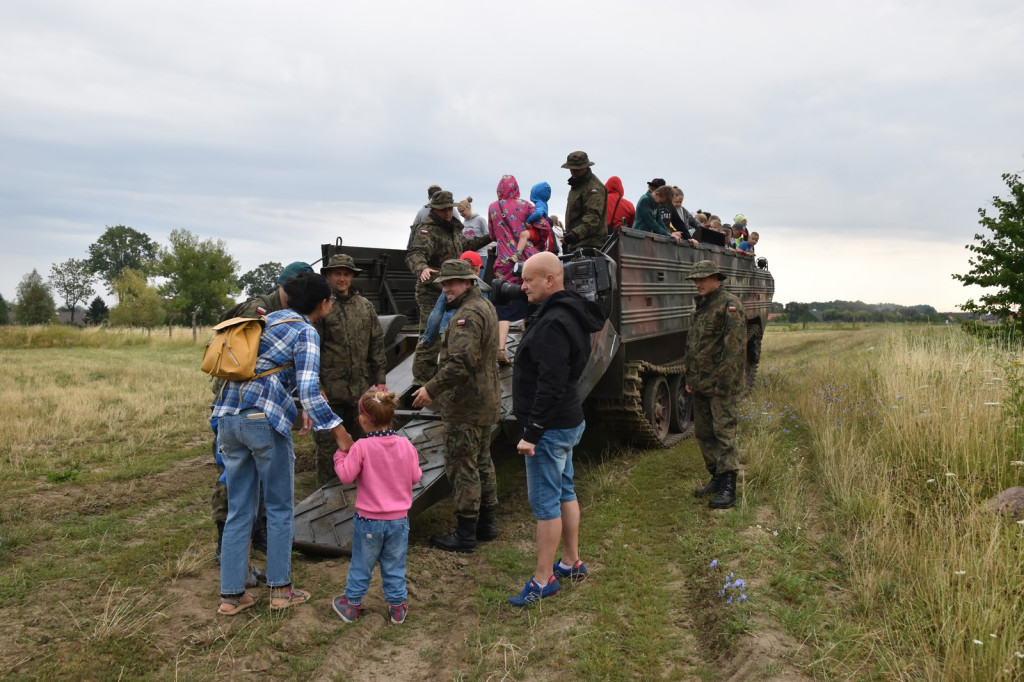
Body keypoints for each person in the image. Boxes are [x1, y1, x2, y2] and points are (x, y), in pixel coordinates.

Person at [212, 271, 353, 615]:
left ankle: (231, 597)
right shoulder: (306, 331)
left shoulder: (266, 320)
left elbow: (267, 374)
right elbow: (308, 389)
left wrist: (294, 409)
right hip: (263, 423)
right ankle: (280, 590)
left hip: (228, 417)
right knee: (278, 508)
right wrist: (339, 431)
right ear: (322, 304)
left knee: (239, 510)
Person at [508, 251, 605, 606]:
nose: (523, 286)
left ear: (550, 280)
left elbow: (550, 382)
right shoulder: (568, 311)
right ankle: (570, 561)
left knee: (545, 502)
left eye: (529, 280)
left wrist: (532, 432)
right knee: (565, 489)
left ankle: (543, 578)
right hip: (567, 420)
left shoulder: (552, 323)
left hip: (549, 427)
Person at [210, 261, 313, 571]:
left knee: (265, 478)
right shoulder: (259, 310)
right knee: (235, 481)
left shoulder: (292, 315)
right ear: (283, 287)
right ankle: (224, 541)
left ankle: (260, 533)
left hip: (255, 403)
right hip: (240, 401)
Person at [411, 259, 501, 553]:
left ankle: (465, 535)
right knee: (483, 461)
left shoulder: (467, 315)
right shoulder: (484, 305)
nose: (447, 288)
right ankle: (486, 525)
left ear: (469, 281)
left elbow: (460, 363)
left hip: (466, 404)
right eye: (444, 284)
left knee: (463, 466)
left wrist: (431, 388)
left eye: (453, 282)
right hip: (484, 401)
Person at [331, 386, 423, 625]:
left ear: (362, 420)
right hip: (399, 521)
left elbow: (346, 476)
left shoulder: (361, 447)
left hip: (369, 521)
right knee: (394, 564)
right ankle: (397, 607)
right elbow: (415, 477)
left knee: (362, 563)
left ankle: (351, 605)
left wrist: (341, 455)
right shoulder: (406, 445)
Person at [313, 253, 387, 486]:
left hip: (359, 392)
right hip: (330, 394)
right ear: (328, 276)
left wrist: (380, 380)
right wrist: (317, 388)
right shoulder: (321, 307)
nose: (342, 279)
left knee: (363, 446)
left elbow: (376, 344)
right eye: (338, 274)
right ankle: (324, 500)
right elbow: (311, 351)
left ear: (352, 277)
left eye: (347, 274)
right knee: (328, 450)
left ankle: (361, 498)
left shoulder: (365, 307)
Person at [405, 190, 490, 385]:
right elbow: (415, 253)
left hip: (456, 290)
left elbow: (467, 245)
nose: (448, 213)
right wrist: (422, 268)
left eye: (449, 209)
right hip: (432, 289)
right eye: (443, 210)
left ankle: (448, 374)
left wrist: (488, 237)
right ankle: (421, 380)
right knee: (430, 334)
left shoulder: (453, 229)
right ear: (433, 209)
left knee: (456, 332)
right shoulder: (427, 230)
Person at [684, 260, 747, 510]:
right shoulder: (701, 307)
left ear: (716, 279)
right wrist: (689, 378)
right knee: (704, 433)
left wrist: (725, 384)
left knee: (724, 433)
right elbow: (693, 346)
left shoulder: (729, 305)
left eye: (702, 278)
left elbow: (734, 348)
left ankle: (729, 485)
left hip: (720, 385)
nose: (698, 283)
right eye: (695, 279)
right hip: (700, 383)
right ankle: (717, 478)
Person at [487, 175, 538, 365]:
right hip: (525, 260)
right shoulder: (525, 205)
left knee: (503, 306)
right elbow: (540, 225)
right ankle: (527, 351)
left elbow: (492, 234)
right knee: (530, 301)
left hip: (503, 261)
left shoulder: (493, 207)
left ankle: (500, 349)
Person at [418, 250, 487, 349]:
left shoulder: (447, 289)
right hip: (472, 332)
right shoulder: (484, 289)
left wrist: (427, 338)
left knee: (447, 360)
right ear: (478, 269)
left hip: (447, 329)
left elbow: (436, 313)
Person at [561, 151, 607, 250]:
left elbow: (593, 218)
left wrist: (574, 234)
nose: (573, 172)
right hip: (577, 244)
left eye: (576, 169)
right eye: (571, 169)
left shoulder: (594, 188)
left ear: (585, 167)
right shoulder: (577, 185)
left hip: (590, 245)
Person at [515, 181, 554, 255]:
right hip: (542, 232)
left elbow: (539, 213)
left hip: (544, 234)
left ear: (536, 193)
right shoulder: (543, 203)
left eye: (532, 192)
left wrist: (528, 221)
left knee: (542, 255)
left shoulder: (540, 203)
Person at [457, 197, 492, 268]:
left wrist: (487, 246)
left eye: (462, 211)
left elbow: (488, 235)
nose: (461, 214)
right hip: (468, 256)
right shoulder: (464, 223)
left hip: (480, 255)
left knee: (479, 278)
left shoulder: (480, 220)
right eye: (459, 212)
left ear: (469, 207)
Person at [407, 184, 443, 249]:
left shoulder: (422, 212)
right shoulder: (451, 210)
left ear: (429, 197)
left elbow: (413, 232)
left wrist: (408, 249)